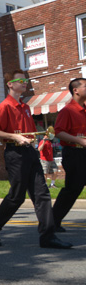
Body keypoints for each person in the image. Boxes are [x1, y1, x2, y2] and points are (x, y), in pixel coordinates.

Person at [0, 70, 72, 249]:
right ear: (10, 84)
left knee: (42, 194)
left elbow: (30, 131)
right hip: (15, 153)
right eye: (20, 80)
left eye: (25, 80)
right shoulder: (5, 106)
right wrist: (15, 137)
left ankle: (48, 237)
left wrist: (31, 138)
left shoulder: (25, 107)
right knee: (16, 197)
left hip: (30, 152)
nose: (25, 83)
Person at [52, 78, 86, 232]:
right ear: (76, 90)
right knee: (73, 188)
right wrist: (80, 140)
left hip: (83, 152)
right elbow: (58, 132)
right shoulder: (67, 110)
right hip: (74, 153)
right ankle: (52, 220)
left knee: (74, 188)